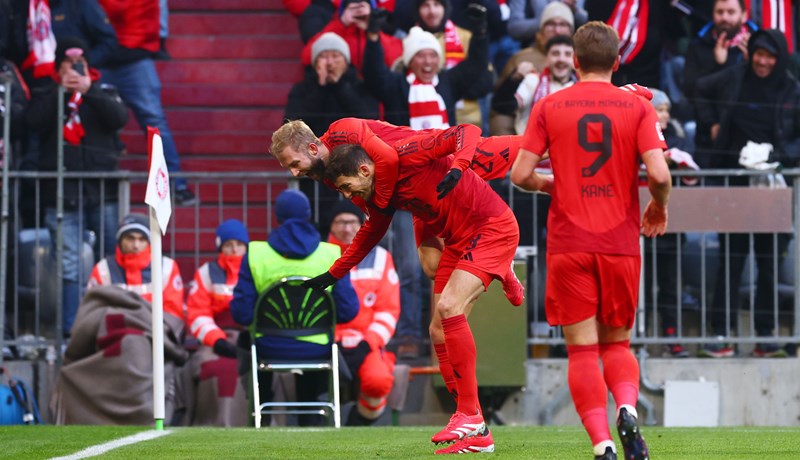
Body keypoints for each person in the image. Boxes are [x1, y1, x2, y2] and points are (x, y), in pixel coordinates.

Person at [510, 21, 670, 460]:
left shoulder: (549, 105)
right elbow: (659, 174)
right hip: (619, 241)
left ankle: (602, 445)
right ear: (618, 62)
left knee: (582, 351)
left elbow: (521, 174)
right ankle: (627, 409)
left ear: (574, 62)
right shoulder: (638, 106)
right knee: (617, 343)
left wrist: (552, 185)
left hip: (569, 242)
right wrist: (659, 206)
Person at [319, 124, 524, 454]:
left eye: (347, 187)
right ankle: (477, 430)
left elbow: (468, 131)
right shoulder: (380, 193)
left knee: (449, 308)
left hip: (488, 227)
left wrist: (460, 165)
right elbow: (369, 234)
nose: (347, 196)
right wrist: (333, 274)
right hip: (455, 233)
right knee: (438, 330)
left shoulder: (411, 152)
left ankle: (469, 415)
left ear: (364, 169)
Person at [694, 29, 800, 358]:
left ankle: (765, 335)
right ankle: (720, 333)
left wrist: (781, 158)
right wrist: (712, 126)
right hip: (735, 183)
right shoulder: (734, 76)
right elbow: (700, 89)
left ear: (779, 57)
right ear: (751, 52)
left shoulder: (791, 88)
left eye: (770, 56)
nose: (763, 61)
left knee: (769, 262)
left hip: (772, 186)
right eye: (759, 54)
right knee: (731, 258)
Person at [229, 189, 359, 426]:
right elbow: (348, 310)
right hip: (317, 348)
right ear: (308, 214)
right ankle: (313, 421)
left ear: (277, 216)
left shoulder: (256, 254)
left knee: (247, 342)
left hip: (268, 346)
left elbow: (241, 313)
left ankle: (262, 417)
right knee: (314, 347)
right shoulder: (330, 254)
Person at [26, 37, 128, 336]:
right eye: (69, 65)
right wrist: (62, 92)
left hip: (102, 191)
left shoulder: (103, 92)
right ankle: (70, 330)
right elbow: (32, 122)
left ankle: (113, 322)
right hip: (62, 193)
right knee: (69, 263)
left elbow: (118, 118)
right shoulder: (47, 92)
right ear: (58, 68)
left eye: (80, 63)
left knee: (111, 257)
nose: (75, 69)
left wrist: (89, 91)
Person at [97, 0, 197, 205]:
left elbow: (120, 7)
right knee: (94, 121)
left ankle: (175, 184)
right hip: (99, 57)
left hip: (133, 57)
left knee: (154, 121)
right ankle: (96, 186)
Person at [327, 200, 401, 425]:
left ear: (362, 224)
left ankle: (357, 422)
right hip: (329, 341)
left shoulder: (381, 257)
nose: (347, 228)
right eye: (340, 222)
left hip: (366, 342)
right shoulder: (321, 255)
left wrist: (368, 344)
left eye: (352, 222)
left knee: (378, 381)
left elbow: (388, 310)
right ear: (331, 226)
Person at [362, 8, 493, 129]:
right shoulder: (395, 85)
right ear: (410, 61)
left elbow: (475, 65)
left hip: (448, 153)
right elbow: (374, 72)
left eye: (433, 55)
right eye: (421, 55)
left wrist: (480, 33)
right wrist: (373, 35)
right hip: (402, 152)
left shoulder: (448, 81)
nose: (428, 62)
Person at [183, 219, 251, 426]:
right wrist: (218, 341)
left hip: (249, 339)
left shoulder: (256, 269)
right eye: (229, 245)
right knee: (210, 367)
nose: (234, 249)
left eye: (239, 245)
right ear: (220, 247)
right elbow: (197, 313)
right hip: (215, 341)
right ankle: (211, 422)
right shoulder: (206, 272)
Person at [683, 0, 758, 163]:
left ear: (744, 15)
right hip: (708, 137)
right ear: (713, 14)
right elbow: (690, 90)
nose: (725, 17)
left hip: (749, 138)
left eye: (731, 12)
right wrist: (716, 64)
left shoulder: (758, 46)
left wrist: (750, 65)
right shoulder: (698, 45)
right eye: (720, 12)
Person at [87, 213, 185, 322]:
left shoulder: (167, 267)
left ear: (148, 242)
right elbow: (94, 311)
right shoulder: (103, 269)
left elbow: (173, 313)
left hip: (156, 333)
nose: (136, 245)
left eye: (142, 239)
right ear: (120, 240)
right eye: (130, 238)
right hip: (115, 332)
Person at [284, 32, 380, 137]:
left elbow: (369, 121)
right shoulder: (301, 90)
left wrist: (341, 87)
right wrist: (320, 89)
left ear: (346, 62)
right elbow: (291, 127)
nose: (330, 63)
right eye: (323, 56)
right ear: (315, 63)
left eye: (335, 56)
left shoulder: (361, 87)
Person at [491, 34, 576, 135]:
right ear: (546, 59)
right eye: (555, 53)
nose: (561, 59)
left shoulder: (582, 88)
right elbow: (501, 107)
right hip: (529, 148)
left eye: (567, 54)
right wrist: (515, 78)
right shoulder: (533, 81)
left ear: (575, 60)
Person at [301, 0, 403, 72]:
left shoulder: (381, 36)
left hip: (374, 93)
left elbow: (396, 60)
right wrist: (342, 24)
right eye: (352, 7)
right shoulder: (335, 32)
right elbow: (307, 57)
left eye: (362, 5)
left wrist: (372, 29)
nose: (357, 11)